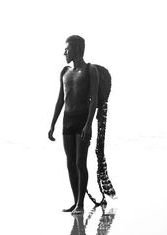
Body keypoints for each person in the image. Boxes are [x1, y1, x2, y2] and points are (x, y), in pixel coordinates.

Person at [48, 35, 99, 214]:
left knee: (80, 162)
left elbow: (94, 100)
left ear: (76, 49)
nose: (64, 52)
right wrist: (52, 124)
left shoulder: (90, 70)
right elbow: (60, 99)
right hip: (67, 123)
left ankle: (81, 204)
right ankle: (75, 200)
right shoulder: (64, 72)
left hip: (82, 121)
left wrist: (89, 124)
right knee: (70, 164)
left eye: (67, 49)